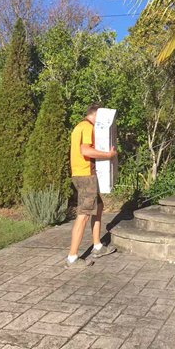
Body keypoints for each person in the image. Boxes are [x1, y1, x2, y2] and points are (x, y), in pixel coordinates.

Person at [66, 104, 117, 268]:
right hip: (86, 176)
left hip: (81, 174)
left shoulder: (79, 126)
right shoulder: (88, 127)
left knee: (99, 206)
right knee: (84, 215)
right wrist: (108, 155)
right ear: (95, 115)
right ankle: (72, 258)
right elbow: (85, 151)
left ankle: (97, 246)